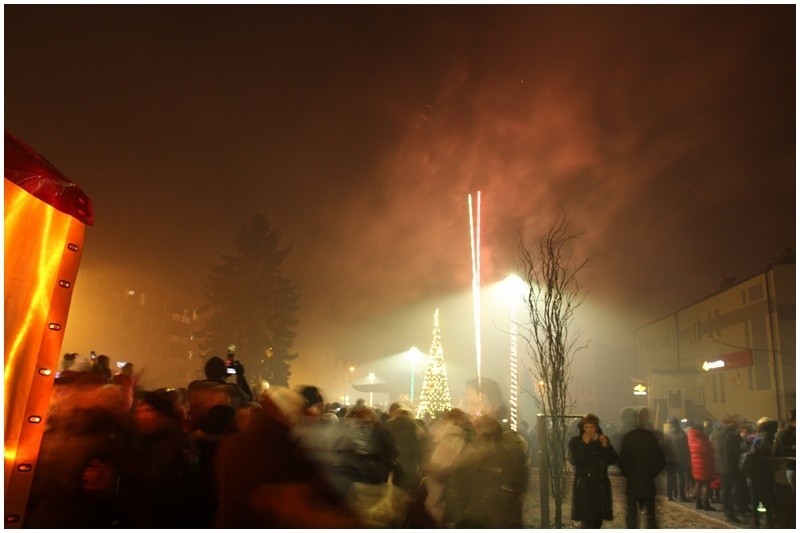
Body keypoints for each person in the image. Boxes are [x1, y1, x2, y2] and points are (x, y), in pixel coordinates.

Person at [567, 413, 619, 528]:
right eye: (586, 427)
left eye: (592, 427)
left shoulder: (602, 440)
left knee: (597, 521)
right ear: (582, 428)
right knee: (587, 519)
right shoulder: (576, 441)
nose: (589, 430)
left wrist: (607, 447)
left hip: (601, 486)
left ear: (596, 428)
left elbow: (613, 460)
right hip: (585, 486)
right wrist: (584, 444)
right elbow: (574, 460)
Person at [618, 407, 666, 528]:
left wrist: (628, 473)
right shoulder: (650, 437)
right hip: (648, 482)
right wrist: (652, 473)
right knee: (650, 517)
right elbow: (660, 460)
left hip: (632, 483)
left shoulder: (628, 437)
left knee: (632, 516)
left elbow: (622, 461)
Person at [714, 414, 746, 523]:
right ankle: (732, 511)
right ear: (733, 422)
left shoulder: (719, 433)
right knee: (734, 489)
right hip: (731, 466)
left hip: (722, 465)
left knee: (726, 489)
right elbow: (736, 450)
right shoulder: (733, 434)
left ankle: (728, 510)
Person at [686, 421, 716, 511]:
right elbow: (708, 450)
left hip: (695, 465)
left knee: (698, 483)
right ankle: (706, 504)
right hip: (704, 464)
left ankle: (698, 503)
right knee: (707, 484)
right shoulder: (702, 438)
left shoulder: (690, 438)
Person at [664, 417, 690, 502]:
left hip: (670, 459)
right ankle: (681, 496)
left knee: (670, 478)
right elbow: (686, 448)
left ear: (670, 424)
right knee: (681, 478)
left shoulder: (667, 434)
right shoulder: (683, 434)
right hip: (681, 459)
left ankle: (669, 495)